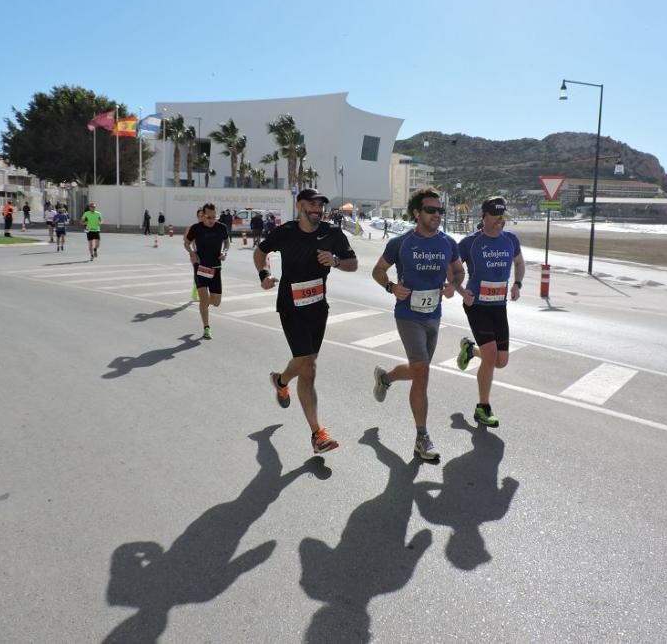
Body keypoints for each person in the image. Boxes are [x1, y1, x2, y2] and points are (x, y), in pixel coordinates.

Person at [254, 188, 357, 455]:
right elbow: (260, 251)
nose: (317, 208)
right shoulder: (285, 231)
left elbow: (353, 263)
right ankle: (317, 433)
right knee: (308, 365)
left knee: (305, 363)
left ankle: (281, 381)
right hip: (291, 307)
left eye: (320, 204)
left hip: (318, 308)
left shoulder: (332, 233)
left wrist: (335, 261)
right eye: (311, 203)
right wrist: (264, 273)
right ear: (300, 205)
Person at [370, 187, 462, 461]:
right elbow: (377, 270)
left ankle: (385, 378)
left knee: (417, 370)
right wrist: (391, 287)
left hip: (433, 315)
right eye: (431, 210)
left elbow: (458, 271)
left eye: (440, 211)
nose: (437, 215)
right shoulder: (401, 243)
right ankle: (422, 437)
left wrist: (453, 286)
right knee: (422, 373)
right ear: (416, 213)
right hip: (408, 316)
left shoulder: (447, 242)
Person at [453, 196, 525, 428]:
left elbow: (520, 263)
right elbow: (452, 268)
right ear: (484, 216)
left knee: (501, 361)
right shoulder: (470, 243)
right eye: (496, 217)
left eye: (503, 217)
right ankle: (482, 407)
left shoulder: (510, 240)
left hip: (498, 305)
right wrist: (461, 291)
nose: (500, 221)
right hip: (477, 306)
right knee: (492, 355)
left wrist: (517, 284)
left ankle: (470, 350)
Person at [184, 203, 230, 340]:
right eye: (208, 217)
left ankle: (204, 304)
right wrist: (192, 253)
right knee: (203, 298)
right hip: (201, 267)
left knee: (216, 302)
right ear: (203, 216)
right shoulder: (196, 228)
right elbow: (186, 243)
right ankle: (206, 328)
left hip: (215, 267)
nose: (211, 220)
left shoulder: (221, 227)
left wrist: (224, 252)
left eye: (214, 217)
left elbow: (227, 242)